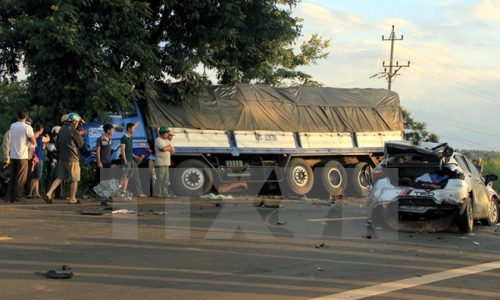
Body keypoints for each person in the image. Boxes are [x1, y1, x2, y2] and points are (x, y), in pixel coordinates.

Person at [44, 112, 85, 204]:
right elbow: (81, 144)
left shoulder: (62, 129)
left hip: (62, 158)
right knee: (75, 179)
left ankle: (49, 193)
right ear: (74, 122)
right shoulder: (73, 131)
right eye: (77, 122)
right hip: (72, 158)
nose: (78, 123)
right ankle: (72, 198)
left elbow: (57, 144)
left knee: (60, 177)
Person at [6, 108, 36, 203]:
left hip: (13, 155)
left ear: (18, 116)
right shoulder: (28, 128)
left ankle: (9, 197)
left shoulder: (13, 126)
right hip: (22, 155)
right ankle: (17, 198)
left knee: (13, 177)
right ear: (26, 117)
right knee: (21, 178)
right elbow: (33, 141)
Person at [120, 122, 147, 198]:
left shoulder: (130, 138)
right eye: (133, 128)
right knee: (124, 176)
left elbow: (129, 150)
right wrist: (125, 160)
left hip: (131, 159)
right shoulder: (124, 138)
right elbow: (122, 150)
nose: (134, 130)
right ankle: (117, 190)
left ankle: (123, 192)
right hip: (127, 160)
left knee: (128, 176)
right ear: (129, 129)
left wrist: (134, 156)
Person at [27, 123, 50, 198]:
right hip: (38, 158)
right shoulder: (40, 137)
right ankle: (29, 193)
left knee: (36, 176)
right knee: (37, 177)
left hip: (32, 157)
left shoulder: (31, 137)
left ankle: (36, 193)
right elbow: (48, 139)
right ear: (40, 130)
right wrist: (48, 136)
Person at [154, 126, 176, 198]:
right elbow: (163, 149)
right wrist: (168, 147)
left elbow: (173, 150)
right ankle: (158, 193)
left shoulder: (167, 141)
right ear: (162, 133)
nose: (167, 135)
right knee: (160, 179)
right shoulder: (158, 140)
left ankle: (165, 192)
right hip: (160, 163)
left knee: (166, 179)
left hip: (166, 163)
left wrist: (168, 148)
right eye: (166, 133)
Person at [45, 126, 64, 199]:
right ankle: (48, 192)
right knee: (50, 177)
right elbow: (50, 153)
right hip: (51, 162)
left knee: (54, 177)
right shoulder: (52, 141)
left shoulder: (55, 141)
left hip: (55, 161)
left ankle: (52, 193)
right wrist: (52, 161)